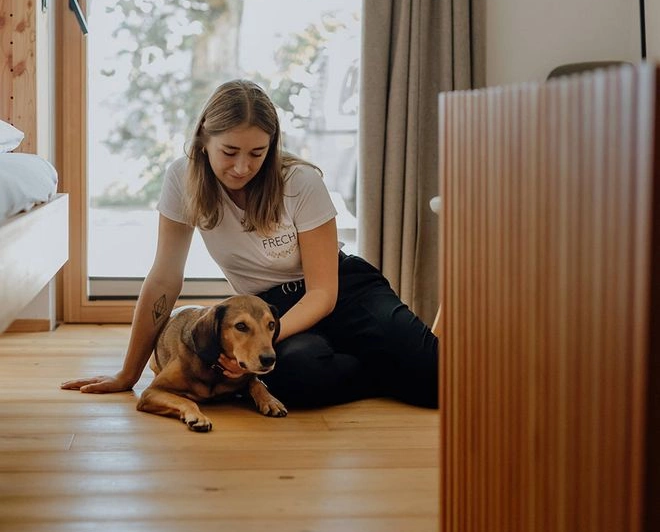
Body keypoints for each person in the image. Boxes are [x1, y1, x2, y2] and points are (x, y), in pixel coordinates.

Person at [62, 79, 438, 409]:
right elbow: (163, 278)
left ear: (271, 148)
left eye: (257, 153)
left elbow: (323, 292)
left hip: (344, 290)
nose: (242, 167)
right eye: (229, 152)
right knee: (296, 379)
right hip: (267, 310)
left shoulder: (300, 181)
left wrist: (268, 338)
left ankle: (390, 360)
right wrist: (128, 374)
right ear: (204, 141)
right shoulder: (182, 179)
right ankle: (380, 367)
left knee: (437, 383)